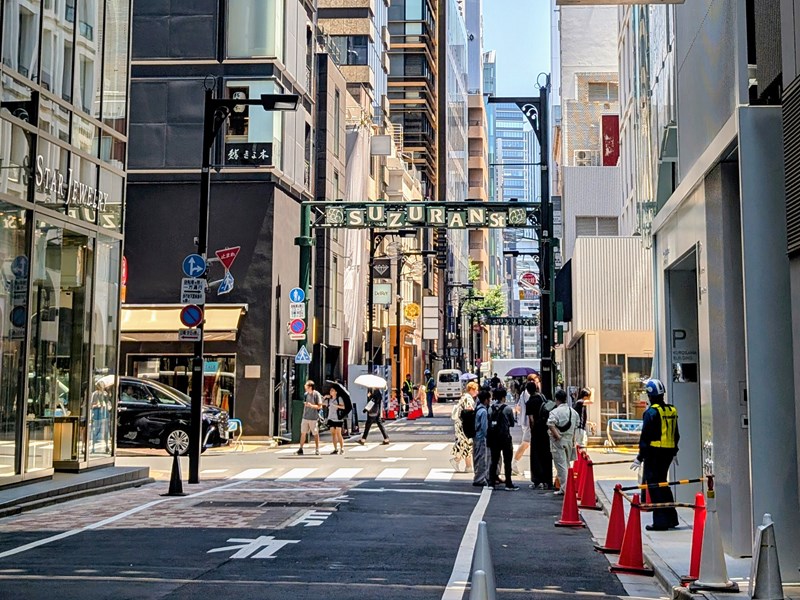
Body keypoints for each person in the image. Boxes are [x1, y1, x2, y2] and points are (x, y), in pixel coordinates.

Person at [632, 378, 680, 531]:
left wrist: (639, 458)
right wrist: (674, 451)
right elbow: (676, 434)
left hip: (653, 454)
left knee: (654, 486)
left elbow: (645, 437)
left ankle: (660, 522)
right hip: (668, 454)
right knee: (663, 484)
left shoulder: (651, 413)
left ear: (650, 395)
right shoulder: (672, 410)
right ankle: (671, 518)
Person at [547, 389, 579, 496]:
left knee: (561, 465)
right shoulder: (573, 412)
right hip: (569, 440)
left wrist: (557, 435)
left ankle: (565, 488)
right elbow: (576, 425)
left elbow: (550, 424)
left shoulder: (555, 412)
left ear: (556, 399)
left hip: (558, 441)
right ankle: (566, 486)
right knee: (567, 464)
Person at [487, 388, 518, 490]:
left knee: (494, 460)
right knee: (507, 461)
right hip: (505, 438)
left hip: (494, 438)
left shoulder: (490, 409)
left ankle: (491, 482)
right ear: (504, 397)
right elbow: (512, 423)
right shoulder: (507, 409)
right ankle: (508, 483)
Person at [526, 380, 554, 490]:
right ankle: (548, 480)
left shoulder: (530, 402)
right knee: (546, 454)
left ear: (528, 391)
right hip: (546, 429)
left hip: (537, 430)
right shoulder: (543, 397)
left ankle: (538, 480)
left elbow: (531, 419)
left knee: (536, 455)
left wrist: (532, 430)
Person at [450, 381, 478, 472]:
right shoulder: (468, 398)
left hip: (461, 424)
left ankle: (468, 466)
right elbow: (469, 411)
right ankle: (457, 460)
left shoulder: (465, 397)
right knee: (466, 443)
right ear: (471, 390)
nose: (477, 392)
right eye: (476, 390)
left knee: (465, 444)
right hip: (464, 425)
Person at [511, 374, 536, 475]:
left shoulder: (525, 393)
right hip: (529, 423)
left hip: (527, 422)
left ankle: (515, 463)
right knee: (525, 443)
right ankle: (514, 463)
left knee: (527, 443)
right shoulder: (527, 394)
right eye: (536, 381)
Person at [297, 380, 323, 455]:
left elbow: (320, 406)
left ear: (310, 387)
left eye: (306, 386)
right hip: (305, 416)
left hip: (313, 417)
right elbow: (304, 402)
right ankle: (301, 448)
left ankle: (317, 448)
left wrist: (311, 405)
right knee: (303, 432)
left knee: (315, 433)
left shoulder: (316, 394)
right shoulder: (306, 394)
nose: (305, 387)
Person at [472, 390, 491, 487]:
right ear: (486, 400)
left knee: (476, 457)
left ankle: (477, 476)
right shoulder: (483, 411)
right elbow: (484, 427)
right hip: (481, 437)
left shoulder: (477, 408)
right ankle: (479, 479)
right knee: (481, 458)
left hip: (476, 436)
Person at [325, 386, 345, 454]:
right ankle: (335, 448)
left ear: (336, 392)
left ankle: (342, 448)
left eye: (332, 390)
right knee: (333, 433)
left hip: (338, 418)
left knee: (338, 433)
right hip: (331, 417)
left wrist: (336, 406)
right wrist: (324, 397)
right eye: (330, 390)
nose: (331, 392)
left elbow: (343, 407)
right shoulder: (329, 399)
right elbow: (322, 403)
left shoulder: (339, 398)